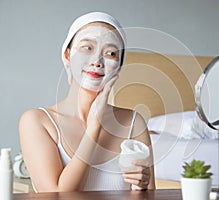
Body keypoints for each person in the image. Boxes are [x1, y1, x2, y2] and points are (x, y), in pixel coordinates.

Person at [19, 12, 155, 192]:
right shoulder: (37, 121)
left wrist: (142, 188)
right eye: (87, 48)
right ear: (67, 56)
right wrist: (94, 128)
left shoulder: (133, 123)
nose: (97, 61)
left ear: (119, 67)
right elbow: (57, 196)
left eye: (110, 53)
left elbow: (150, 195)